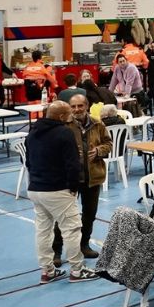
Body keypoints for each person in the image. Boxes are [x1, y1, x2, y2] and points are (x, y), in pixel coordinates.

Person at [25, 101, 98, 283]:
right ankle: (77, 270)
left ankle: (47, 271)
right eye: (68, 114)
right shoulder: (64, 133)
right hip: (57, 190)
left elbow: (28, 161)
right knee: (72, 230)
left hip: (35, 189)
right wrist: (73, 187)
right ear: (61, 116)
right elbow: (73, 164)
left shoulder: (32, 132)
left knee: (43, 231)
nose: (72, 116)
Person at [54, 94, 111, 259]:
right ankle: (56, 251)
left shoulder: (98, 123)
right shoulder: (64, 125)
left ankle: (84, 245)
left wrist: (99, 151)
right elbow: (55, 148)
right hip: (70, 178)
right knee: (63, 216)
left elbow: (108, 143)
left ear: (87, 106)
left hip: (93, 177)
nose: (77, 109)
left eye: (80, 106)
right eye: (73, 106)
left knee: (89, 215)